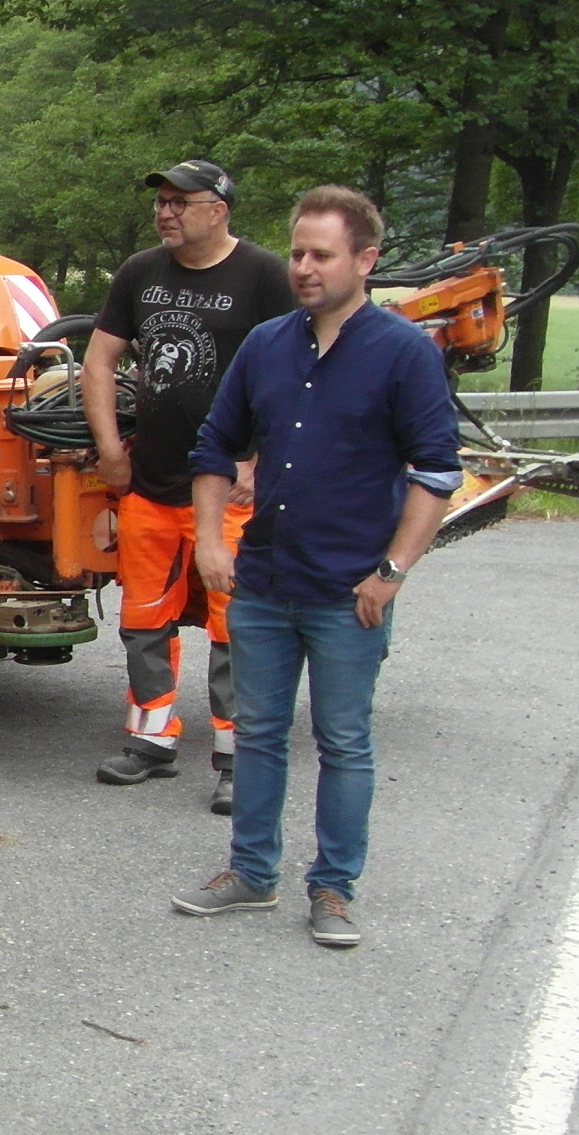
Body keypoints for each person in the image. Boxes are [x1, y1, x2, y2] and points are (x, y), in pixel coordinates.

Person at [169, 186, 459, 949]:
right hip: (264, 580)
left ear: (365, 260)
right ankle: (252, 874)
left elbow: (436, 472)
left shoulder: (403, 353)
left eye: (321, 255)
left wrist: (390, 572)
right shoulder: (267, 344)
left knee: (343, 741)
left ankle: (333, 890)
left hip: (349, 591)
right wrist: (209, 539)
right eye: (297, 252)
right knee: (259, 733)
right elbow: (213, 446)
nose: (303, 267)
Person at [85, 160, 296, 813]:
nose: (166, 212)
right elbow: (98, 359)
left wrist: (260, 460)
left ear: (220, 208)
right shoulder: (140, 274)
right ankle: (150, 740)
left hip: (230, 491)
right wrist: (110, 449)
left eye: (181, 202)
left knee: (240, 630)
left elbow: (299, 373)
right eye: (162, 203)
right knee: (144, 620)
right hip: (150, 485)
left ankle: (239, 760)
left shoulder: (264, 276)